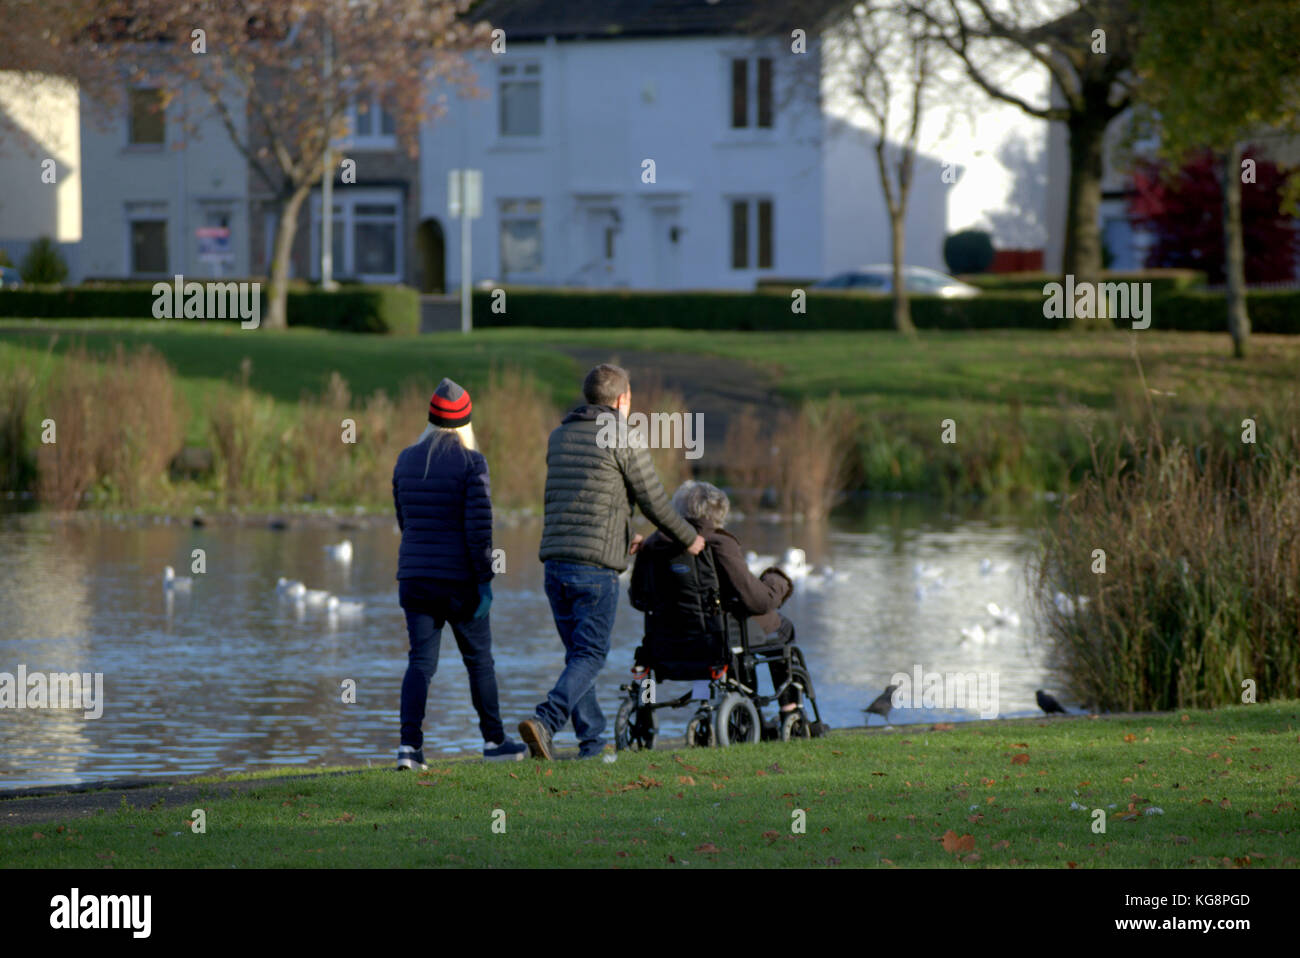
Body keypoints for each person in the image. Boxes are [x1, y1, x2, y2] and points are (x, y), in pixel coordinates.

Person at [518, 363, 706, 760]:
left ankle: (592, 744)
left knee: (578, 657)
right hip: (595, 570)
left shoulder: (560, 436)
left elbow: (584, 500)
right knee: (591, 656)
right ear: (622, 400)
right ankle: (546, 720)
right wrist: (691, 538)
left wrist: (624, 536)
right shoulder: (623, 436)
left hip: (555, 564)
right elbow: (654, 501)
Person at [392, 377, 527, 768]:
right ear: (466, 421)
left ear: (431, 418)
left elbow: (405, 520)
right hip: (459, 583)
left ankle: (408, 749)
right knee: (480, 661)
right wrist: (484, 582)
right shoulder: (473, 463)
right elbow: (479, 530)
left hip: (414, 577)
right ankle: (494, 741)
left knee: (420, 664)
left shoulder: (405, 459)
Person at [635, 480, 802, 711]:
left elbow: (637, 598)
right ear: (719, 511)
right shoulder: (719, 542)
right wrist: (777, 581)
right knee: (781, 629)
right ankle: (789, 708)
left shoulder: (652, 545)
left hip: (664, 642)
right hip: (715, 639)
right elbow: (758, 601)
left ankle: (656, 706)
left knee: (728, 634)